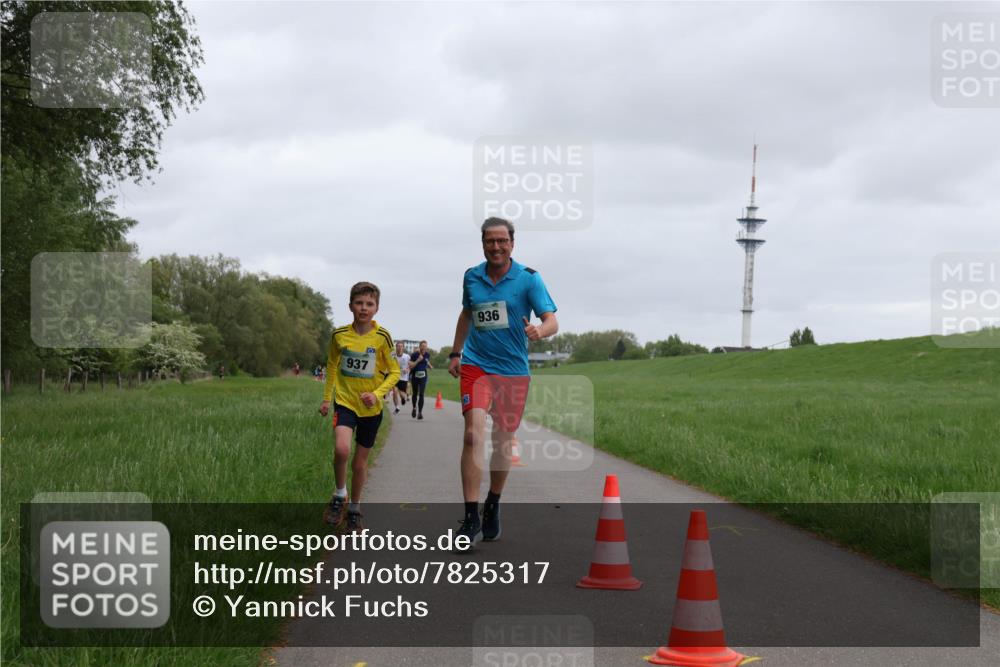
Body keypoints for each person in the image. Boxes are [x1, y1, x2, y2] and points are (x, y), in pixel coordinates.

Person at [447, 217, 558, 549]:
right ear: (483, 243)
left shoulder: (528, 279)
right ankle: (470, 518)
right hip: (477, 366)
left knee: (503, 440)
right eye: (489, 241)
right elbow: (467, 313)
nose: (496, 246)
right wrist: (456, 352)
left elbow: (551, 319)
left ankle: (492, 503)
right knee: (472, 434)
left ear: (512, 243)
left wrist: (541, 330)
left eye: (502, 241)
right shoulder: (472, 276)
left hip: (512, 371)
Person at [319, 282, 399, 532]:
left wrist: (376, 395)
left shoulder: (383, 337)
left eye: (369, 304)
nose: (364, 308)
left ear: (376, 308)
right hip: (345, 402)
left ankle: (354, 508)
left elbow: (395, 372)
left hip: (371, 410)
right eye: (359, 303)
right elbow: (332, 365)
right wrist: (325, 398)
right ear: (350, 306)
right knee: (342, 449)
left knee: (359, 464)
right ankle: (339, 495)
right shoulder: (339, 335)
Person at [408, 340, 433, 420]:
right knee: (415, 393)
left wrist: (430, 366)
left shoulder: (427, 354)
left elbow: (426, 361)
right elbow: (411, 366)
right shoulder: (414, 355)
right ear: (420, 346)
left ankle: (420, 413)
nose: (424, 347)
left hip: (423, 377)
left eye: (425, 346)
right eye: (423, 346)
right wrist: (418, 360)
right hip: (415, 376)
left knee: (421, 394)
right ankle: (414, 408)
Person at [391, 341, 410, 414]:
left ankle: (403, 398)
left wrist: (407, 370)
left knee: (402, 394)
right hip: (394, 377)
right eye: (398, 346)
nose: (399, 348)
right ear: (396, 347)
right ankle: (397, 407)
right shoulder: (392, 355)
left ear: (403, 348)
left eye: (401, 346)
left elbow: (410, 365)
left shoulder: (407, 356)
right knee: (394, 391)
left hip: (403, 378)